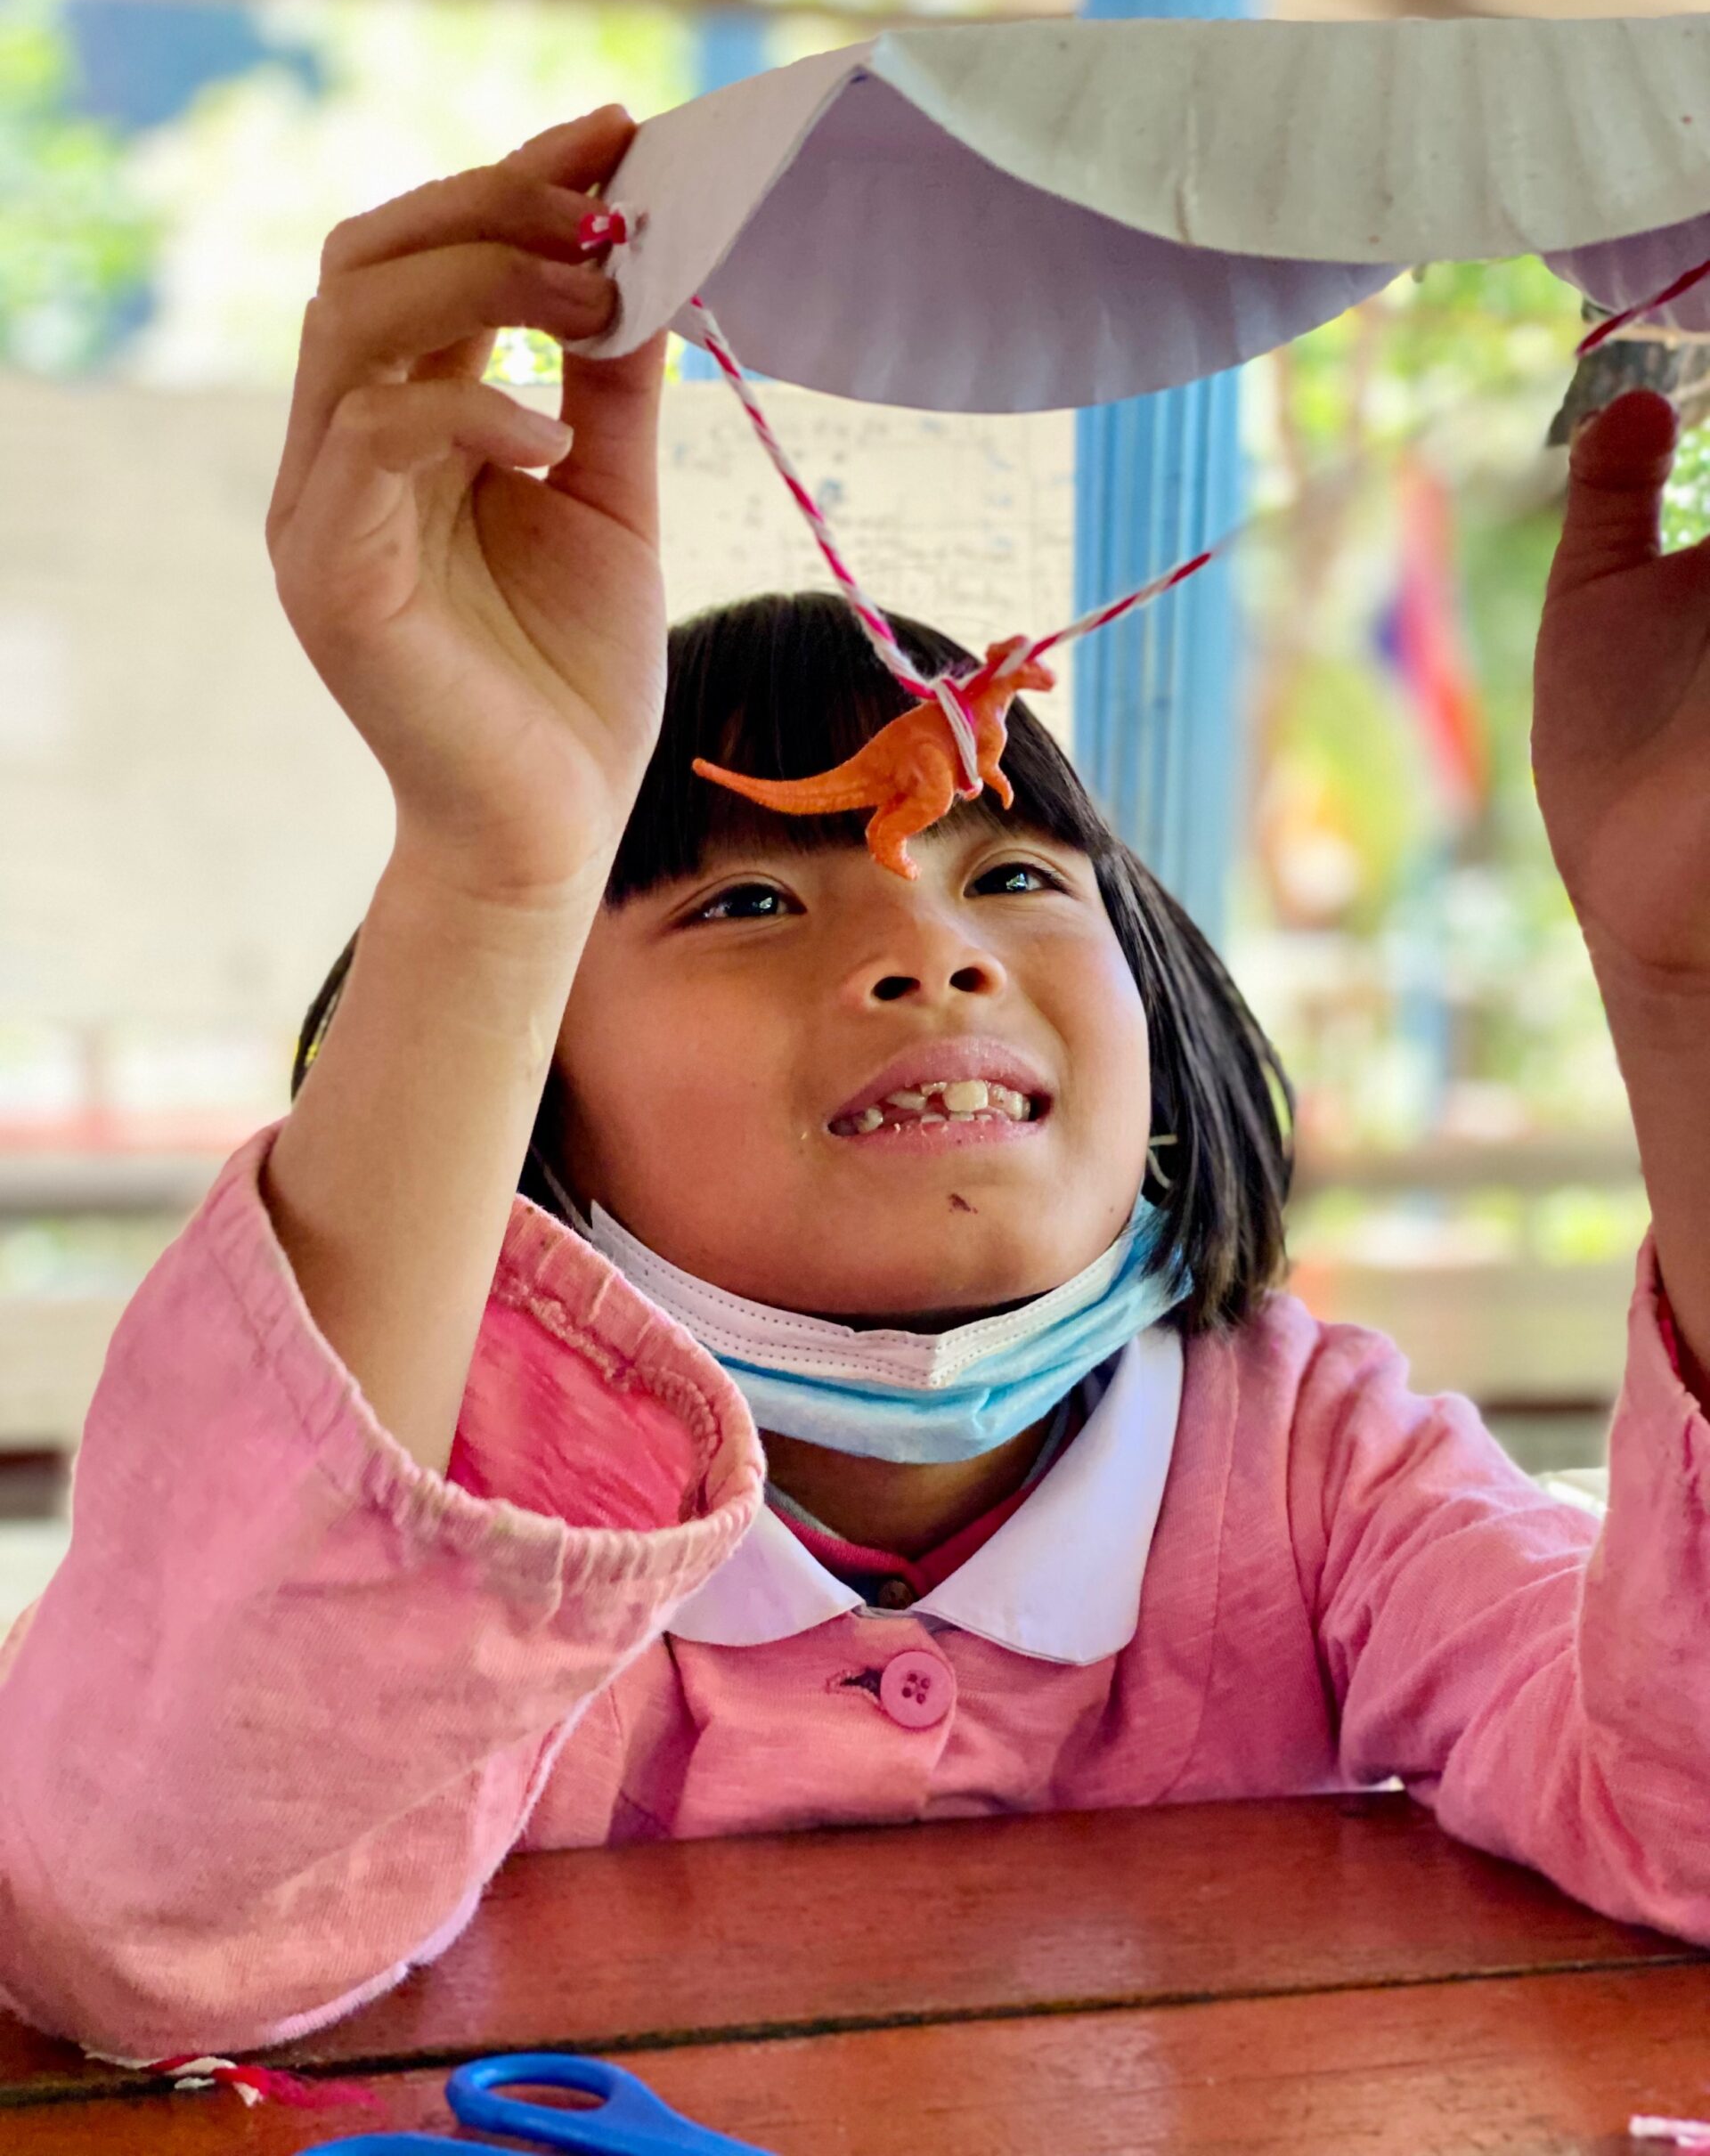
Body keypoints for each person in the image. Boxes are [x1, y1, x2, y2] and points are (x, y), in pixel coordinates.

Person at [3, 104, 1709, 2065]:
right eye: (743, 898)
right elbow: (143, 1932)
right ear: (536, 1098)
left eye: (1017, 874)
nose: (929, 948)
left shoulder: (1321, 1468)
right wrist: (493, 867)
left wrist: (1684, 991)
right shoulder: (447, 1499)